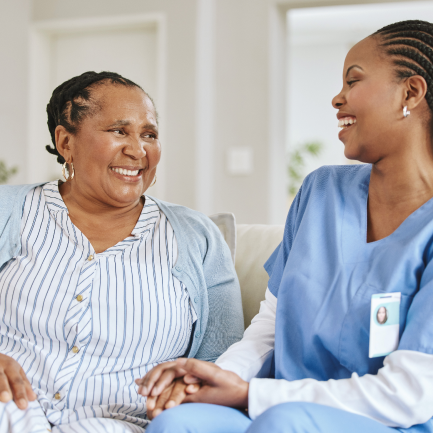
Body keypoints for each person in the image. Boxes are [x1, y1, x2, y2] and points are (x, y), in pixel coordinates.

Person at [138, 20, 433, 433]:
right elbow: (269, 326)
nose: (337, 97)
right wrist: (217, 378)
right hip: (277, 404)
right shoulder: (321, 191)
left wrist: (252, 396)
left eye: (353, 80)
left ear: (411, 93)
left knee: (285, 423)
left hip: (384, 420)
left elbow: (408, 395)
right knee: (180, 424)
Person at [0, 71, 244, 433]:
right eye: (119, 131)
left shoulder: (197, 237)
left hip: (121, 423)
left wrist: (186, 386)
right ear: (66, 142)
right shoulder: (9, 211)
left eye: (149, 134)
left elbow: (222, 360)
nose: (137, 149)